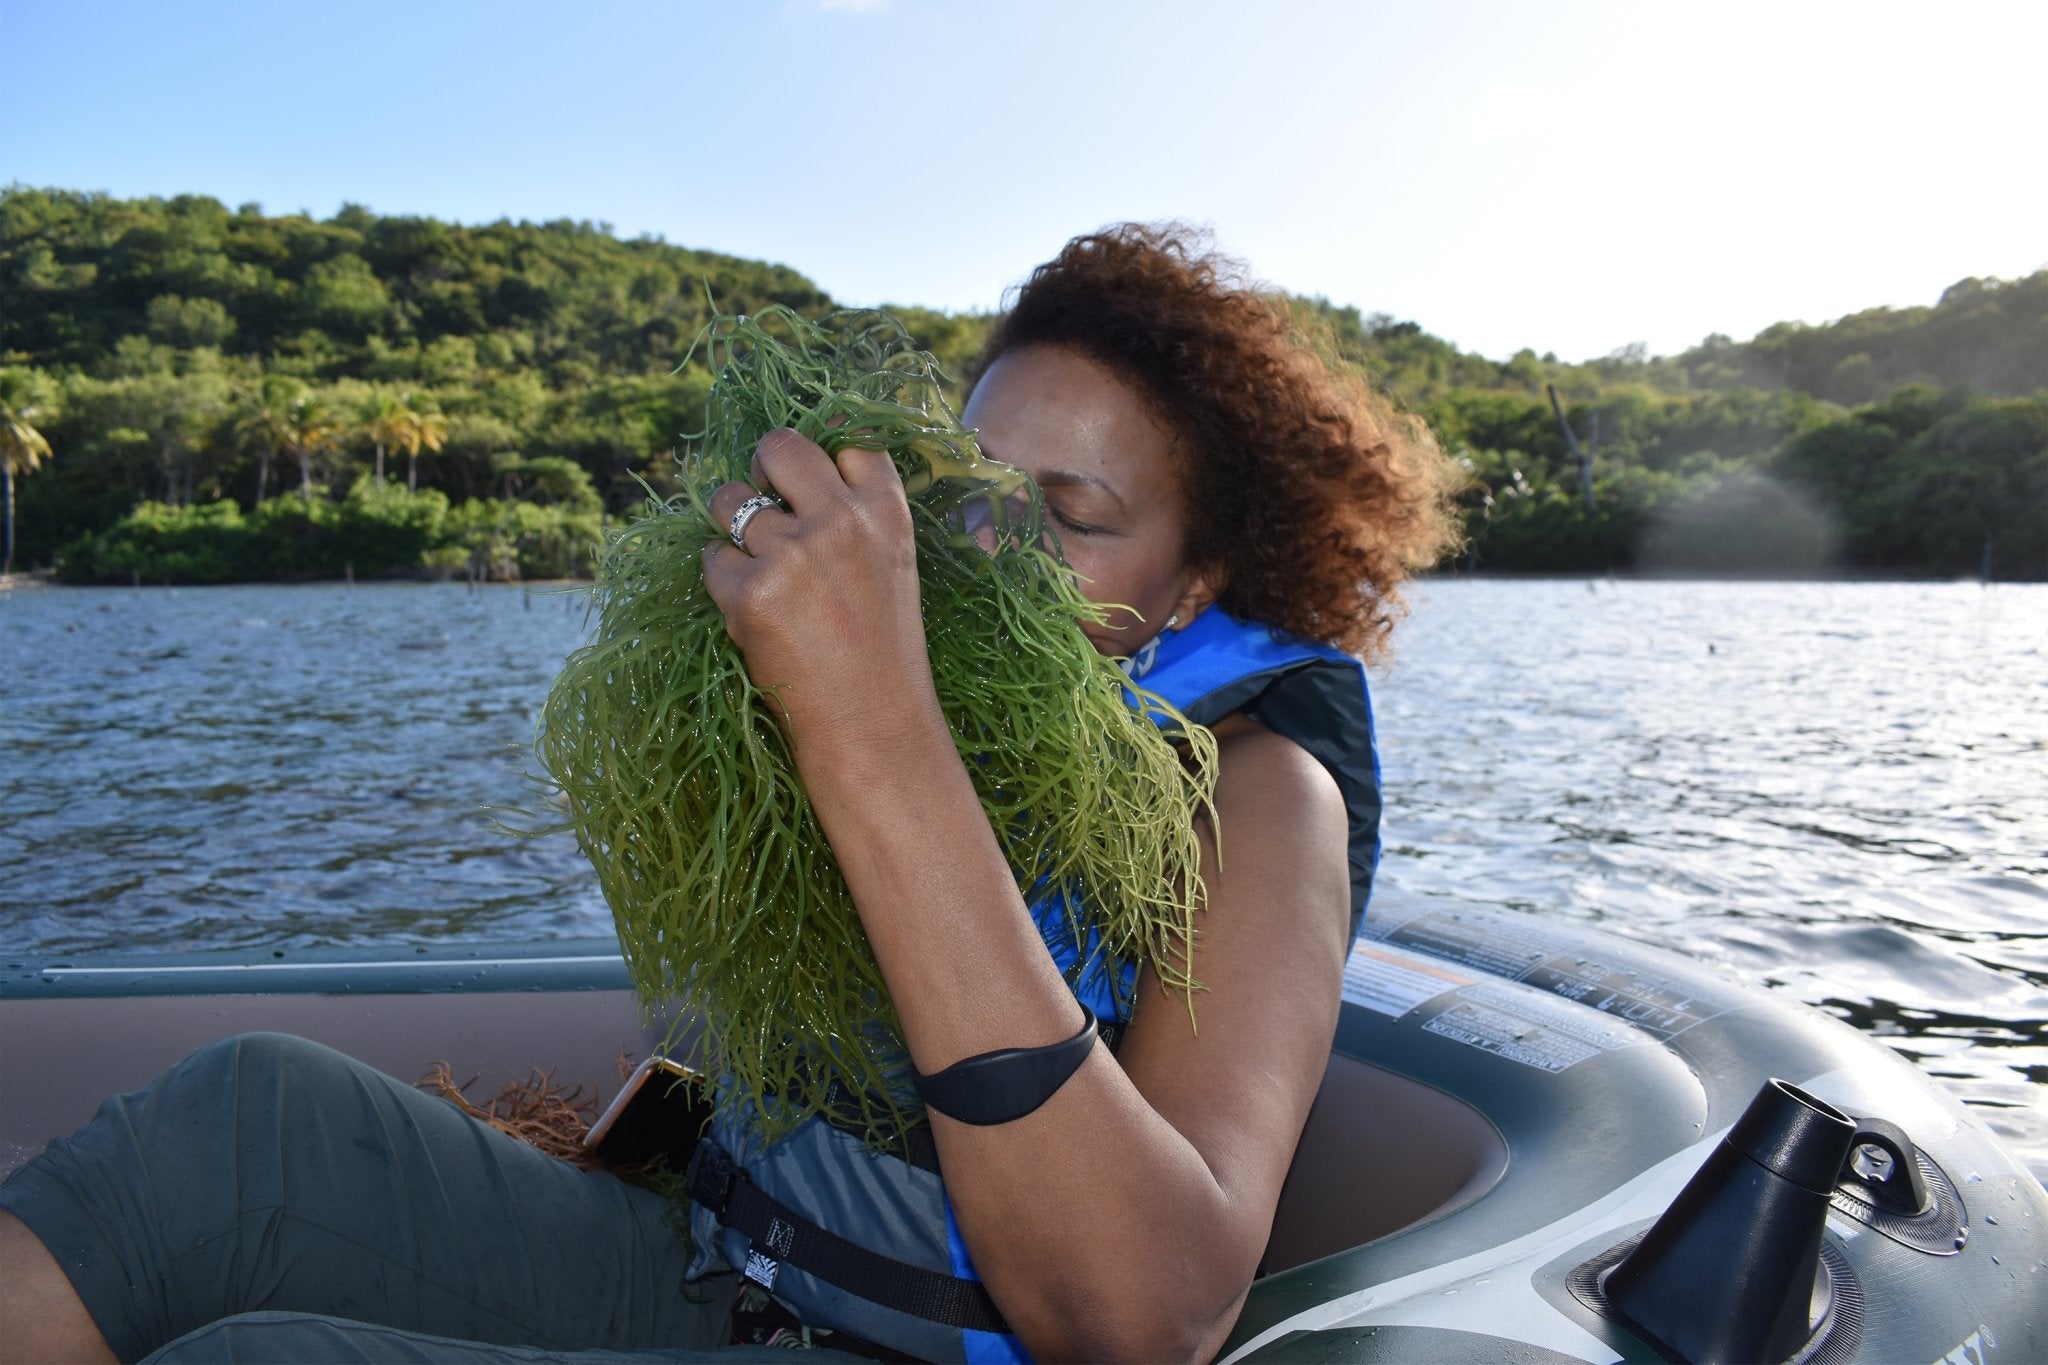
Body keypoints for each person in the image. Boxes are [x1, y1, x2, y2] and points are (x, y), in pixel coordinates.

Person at [0, 224, 1460, 1364]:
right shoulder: (949, 712)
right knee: (246, 1120)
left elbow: (1143, 1318)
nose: (990, 553)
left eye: (1070, 518)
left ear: (1202, 580)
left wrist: (878, 733)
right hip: (734, 1270)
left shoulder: (1262, 796)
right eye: (968, 492)